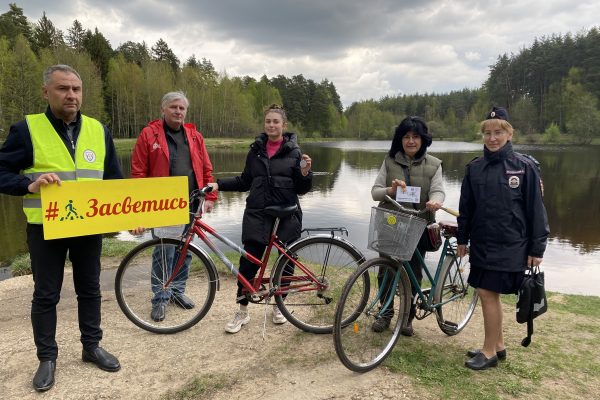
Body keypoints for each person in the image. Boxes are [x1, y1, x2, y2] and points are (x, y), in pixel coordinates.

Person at [0, 64, 123, 392]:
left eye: (76, 89)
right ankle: (47, 358)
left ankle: (91, 347)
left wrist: (128, 215)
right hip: (45, 229)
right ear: (46, 92)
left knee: (90, 289)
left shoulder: (99, 130)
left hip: (89, 226)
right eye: (63, 88)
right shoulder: (27, 129)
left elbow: (114, 181)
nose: (71, 95)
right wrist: (28, 184)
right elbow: (1, 172)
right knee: (45, 295)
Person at [457, 106, 549, 370]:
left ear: (509, 134)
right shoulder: (474, 168)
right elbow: (467, 209)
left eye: (498, 132)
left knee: (487, 292)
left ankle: (488, 353)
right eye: (487, 133)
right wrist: (463, 239)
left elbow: (536, 210)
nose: (492, 138)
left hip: (512, 244)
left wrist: (537, 246)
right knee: (487, 292)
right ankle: (498, 345)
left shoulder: (524, 168)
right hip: (483, 243)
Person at [208, 104, 312, 333]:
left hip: (287, 214)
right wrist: (218, 184)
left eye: (276, 122)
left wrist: (305, 173)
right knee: (248, 262)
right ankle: (242, 311)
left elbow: (303, 189)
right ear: (264, 124)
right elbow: (244, 181)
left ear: (284, 126)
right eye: (268, 121)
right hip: (257, 213)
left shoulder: (295, 152)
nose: (272, 125)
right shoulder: (255, 151)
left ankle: (280, 307)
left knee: (286, 263)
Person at [130, 91, 218, 322]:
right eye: (173, 107)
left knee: (184, 250)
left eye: (182, 108)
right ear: (163, 109)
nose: (178, 111)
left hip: (192, 200)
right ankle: (160, 298)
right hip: (163, 204)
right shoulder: (149, 134)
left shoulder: (194, 136)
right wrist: (139, 207)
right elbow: (138, 173)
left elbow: (207, 169)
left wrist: (211, 197)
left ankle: (177, 291)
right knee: (163, 251)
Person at [370, 116, 445, 336]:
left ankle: (407, 318)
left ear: (423, 140)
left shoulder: (434, 164)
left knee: (413, 272)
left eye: (415, 137)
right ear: (400, 139)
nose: (411, 141)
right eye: (406, 137)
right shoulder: (389, 161)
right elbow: (375, 193)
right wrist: (390, 191)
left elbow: (438, 189)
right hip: (390, 223)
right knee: (386, 270)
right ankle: (385, 313)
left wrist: (436, 201)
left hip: (418, 224)